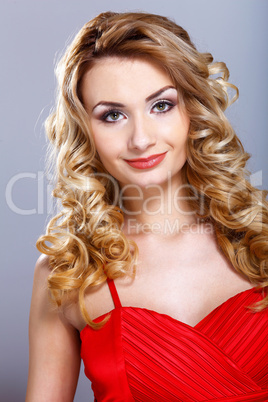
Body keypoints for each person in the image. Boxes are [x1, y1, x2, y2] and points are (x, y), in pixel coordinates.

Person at [26, 11, 268, 402]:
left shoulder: (262, 239)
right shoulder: (68, 272)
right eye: (113, 115)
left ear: (193, 109)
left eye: (161, 106)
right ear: (85, 131)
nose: (141, 139)